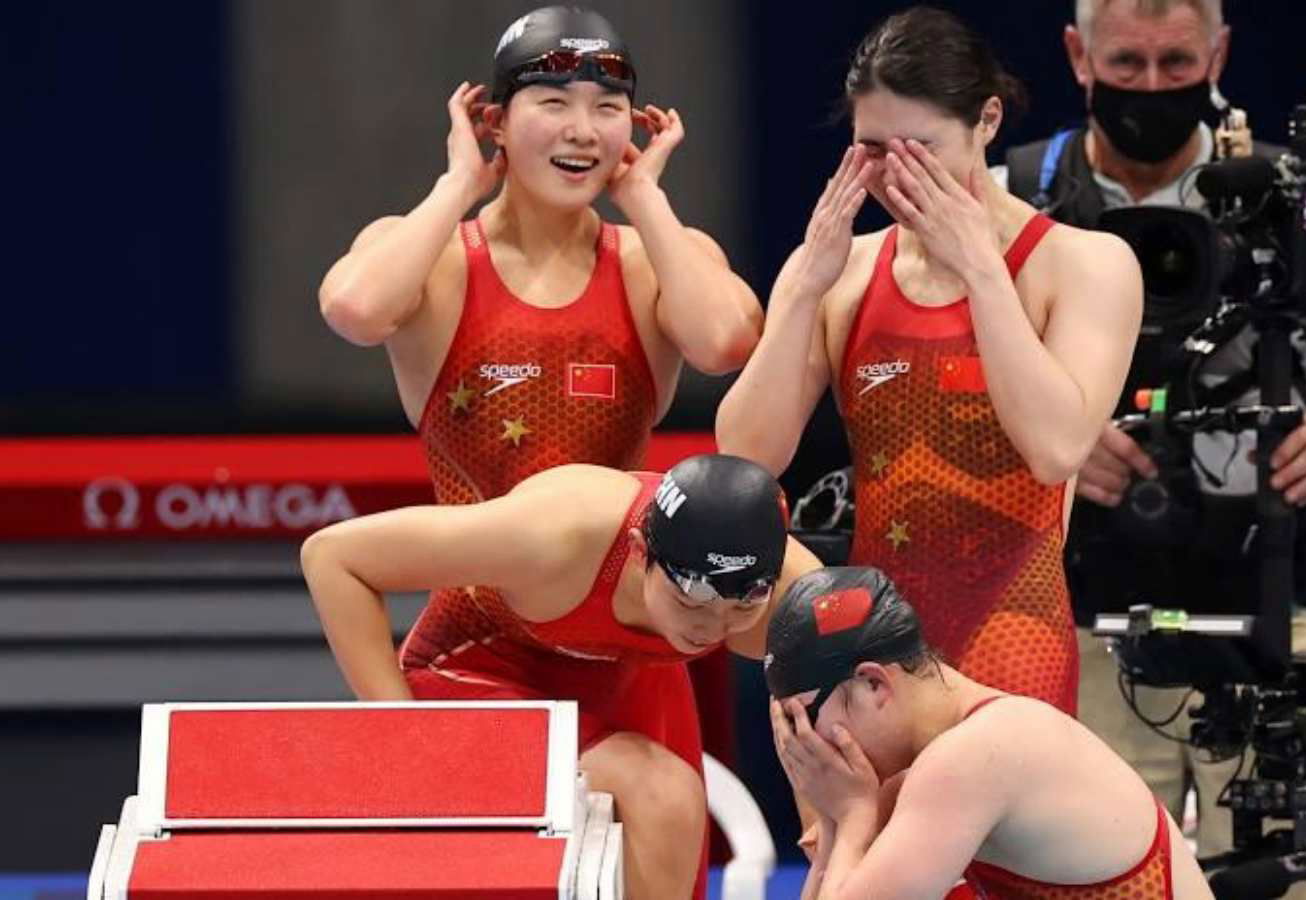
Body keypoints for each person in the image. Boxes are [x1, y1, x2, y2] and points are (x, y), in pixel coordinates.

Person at [315, 7, 764, 865]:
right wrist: (457, 187)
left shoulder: (650, 262)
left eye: (606, 106)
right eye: (552, 101)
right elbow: (354, 310)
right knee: (655, 794)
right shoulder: (438, 260)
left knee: (669, 824)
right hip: (486, 654)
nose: (581, 129)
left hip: (636, 647)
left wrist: (647, 202)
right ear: (495, 120)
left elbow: (726, 341)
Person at [996, 4, 1306, 895]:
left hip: (1270, 617)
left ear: (1218, 53)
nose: (1150, 86)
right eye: (1127, 62)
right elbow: (941, 401)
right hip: (1078, 629)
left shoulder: (1292, 197)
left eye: (1176, 61)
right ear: (1078, 56)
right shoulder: (1009, 201)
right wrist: (1052, 438)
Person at [718, 6, 1142, 718]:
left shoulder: (1083, 265)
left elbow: (1056, 447)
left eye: (922, 147)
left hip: (1015, 645)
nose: (896, 175)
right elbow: (746, 457)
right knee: (857, 835)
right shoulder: (840, 273)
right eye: (874, 150)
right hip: (869, 658)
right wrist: (800, 293)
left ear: (988, 123)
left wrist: (981, 270)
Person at [300, 454, 822, 900]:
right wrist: (404, 734)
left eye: (738, 611)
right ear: (641, 554)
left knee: (685, 835)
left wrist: (822, 837)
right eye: (691, 602)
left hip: (618, 671)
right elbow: (333, 557)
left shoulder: (795, 592)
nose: (710, 627)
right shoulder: (552, 533)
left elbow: (822, 724)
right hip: (478, 667)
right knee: (664, 797)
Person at [766, 566, 1214, 900]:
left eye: (805, 720)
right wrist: (833, 818)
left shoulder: (977, 754)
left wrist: (852, 813)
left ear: (873, 684)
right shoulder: (945, 758)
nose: (809, 746)